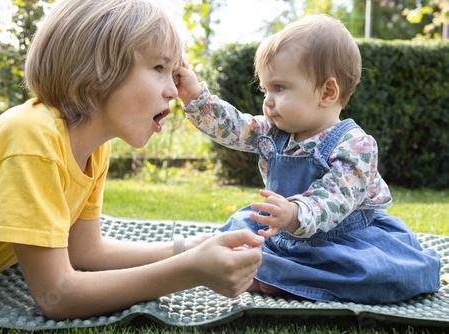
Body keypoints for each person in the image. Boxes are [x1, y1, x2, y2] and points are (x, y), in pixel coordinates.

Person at [0, 0, 265, 320]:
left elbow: (86, 253)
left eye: (175, 73)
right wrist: (188, 271)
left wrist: (190, 248)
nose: (173, 90)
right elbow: (57, 295)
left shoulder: (95, 150)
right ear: (97, 70)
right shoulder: (32, 141)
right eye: (159, 68)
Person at [176, 14, 440, 304]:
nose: (268, 101)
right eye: (265, 89)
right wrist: (196, 96)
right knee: (234, 238)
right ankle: (276, 274)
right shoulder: (273, 133)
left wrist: (295, 213)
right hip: (284, 235)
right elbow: (235, 127)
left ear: (327, 92)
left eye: (279, 88)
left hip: (342, 241)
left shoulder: (355, 144)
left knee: (381, 276)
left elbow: (336, 196)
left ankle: (282, 278)